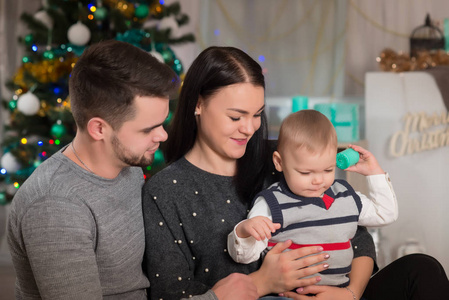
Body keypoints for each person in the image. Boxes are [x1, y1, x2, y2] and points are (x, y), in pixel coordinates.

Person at [143, 45, 449, 300]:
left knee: (422, 270)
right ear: (198, 104)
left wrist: (352, 293)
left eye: (257, 115)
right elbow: (171, 293)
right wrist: (264, 282)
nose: (249, 128)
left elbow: (356, 237)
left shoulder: (284, 157)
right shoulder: (166, 190)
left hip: (338, 293)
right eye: (236, 116)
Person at [6, 40, 179, 299]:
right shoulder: (55, 206)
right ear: (99, 129)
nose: (163, 135)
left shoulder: (127, 165)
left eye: (162, 123)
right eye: (148, 129)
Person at [227, 109, 398, 288]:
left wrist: (375, 173)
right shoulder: (272, 204)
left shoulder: (345, 196)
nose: (318, 180)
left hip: (339, 292)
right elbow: (244, 256)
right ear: (279, 162)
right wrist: (244, 231)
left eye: (327, 170)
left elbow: (385, 214)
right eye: (305, 172)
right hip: (288, 295)